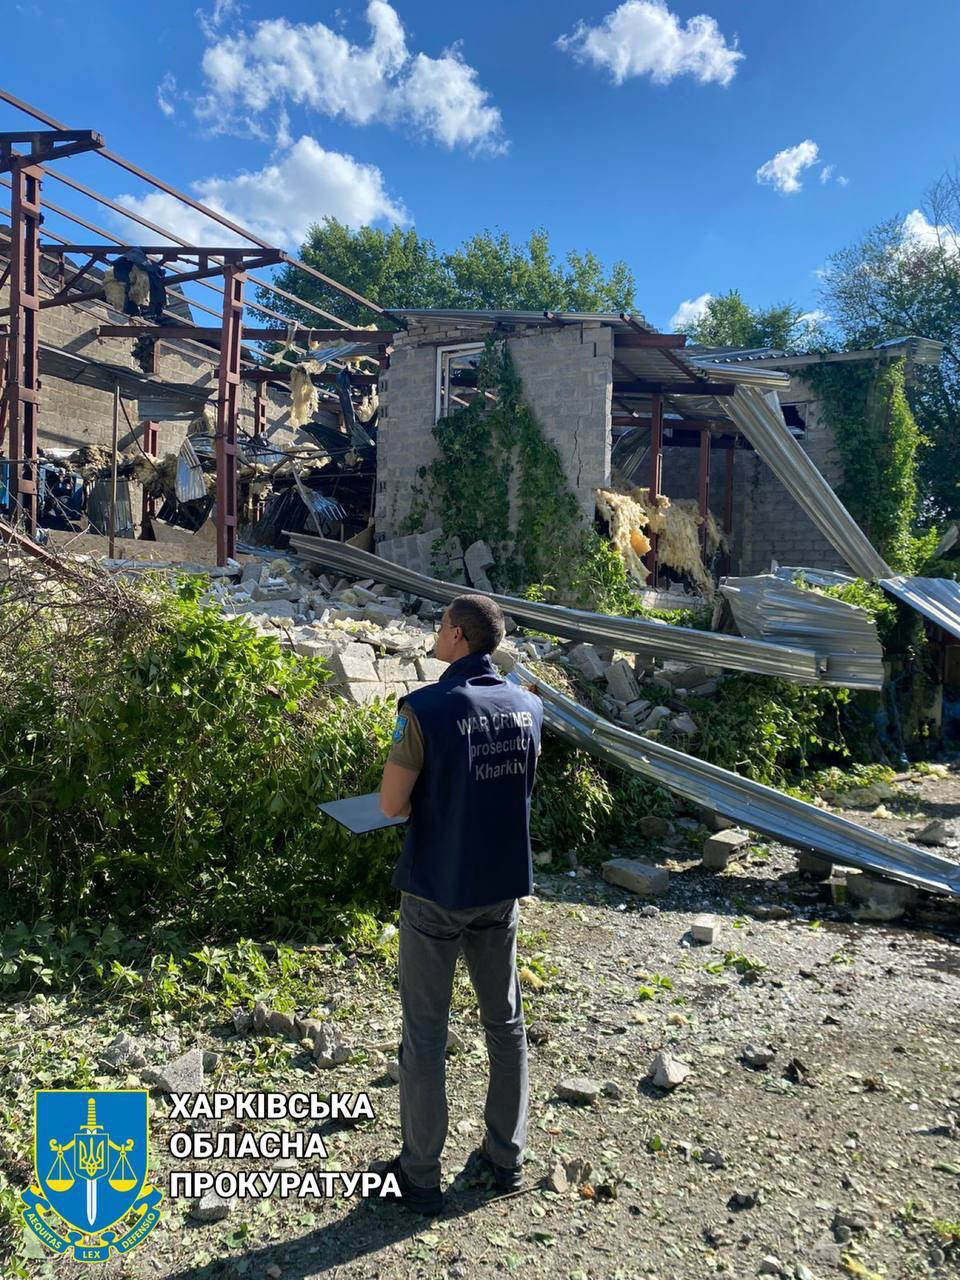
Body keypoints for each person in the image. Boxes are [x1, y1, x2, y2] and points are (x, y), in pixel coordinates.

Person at [370, 593, 543, 1215]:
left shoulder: (423, 709)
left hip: (436, 891)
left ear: (459, 636)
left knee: (424, 1033)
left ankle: (419, 1176)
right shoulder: (529, 706)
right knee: (506, 1023)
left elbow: (390, 805)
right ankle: (505, 1156)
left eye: (441, 624)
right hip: (500, 888)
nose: (436, 632)